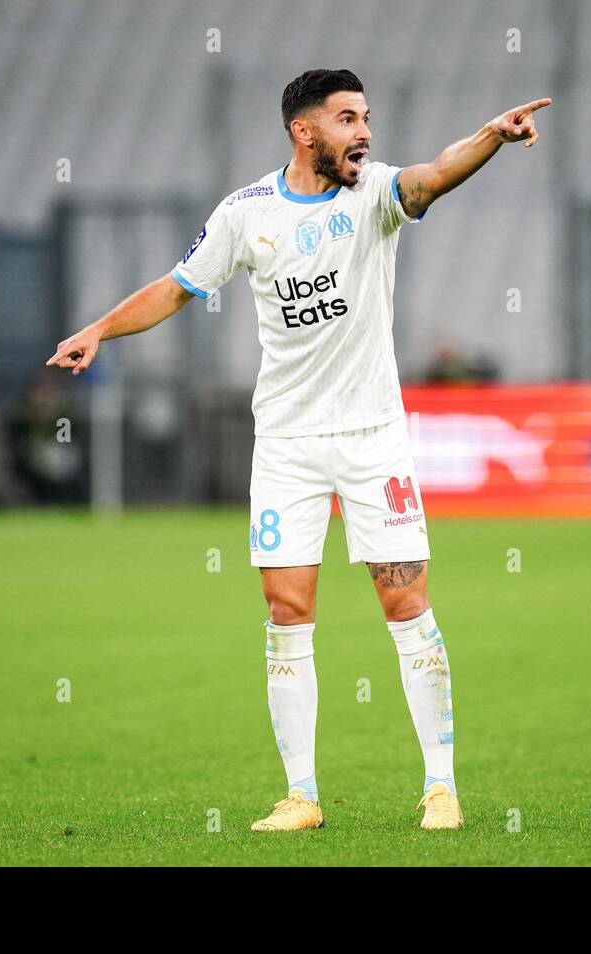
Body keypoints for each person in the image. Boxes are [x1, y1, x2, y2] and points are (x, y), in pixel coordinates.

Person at [47, 68, 550, 831]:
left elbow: (433, 175)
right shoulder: (246, 215)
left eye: (368, 117)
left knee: (405, 600)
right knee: (287, 612)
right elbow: (178, 287)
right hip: (285, 444)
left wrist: (491, 137)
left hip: (373, 439)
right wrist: (98, 330)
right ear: (304, 130)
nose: (366, 133)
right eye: (349, 119)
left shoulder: (374, 195)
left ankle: (441, 786)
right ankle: (301, 796)